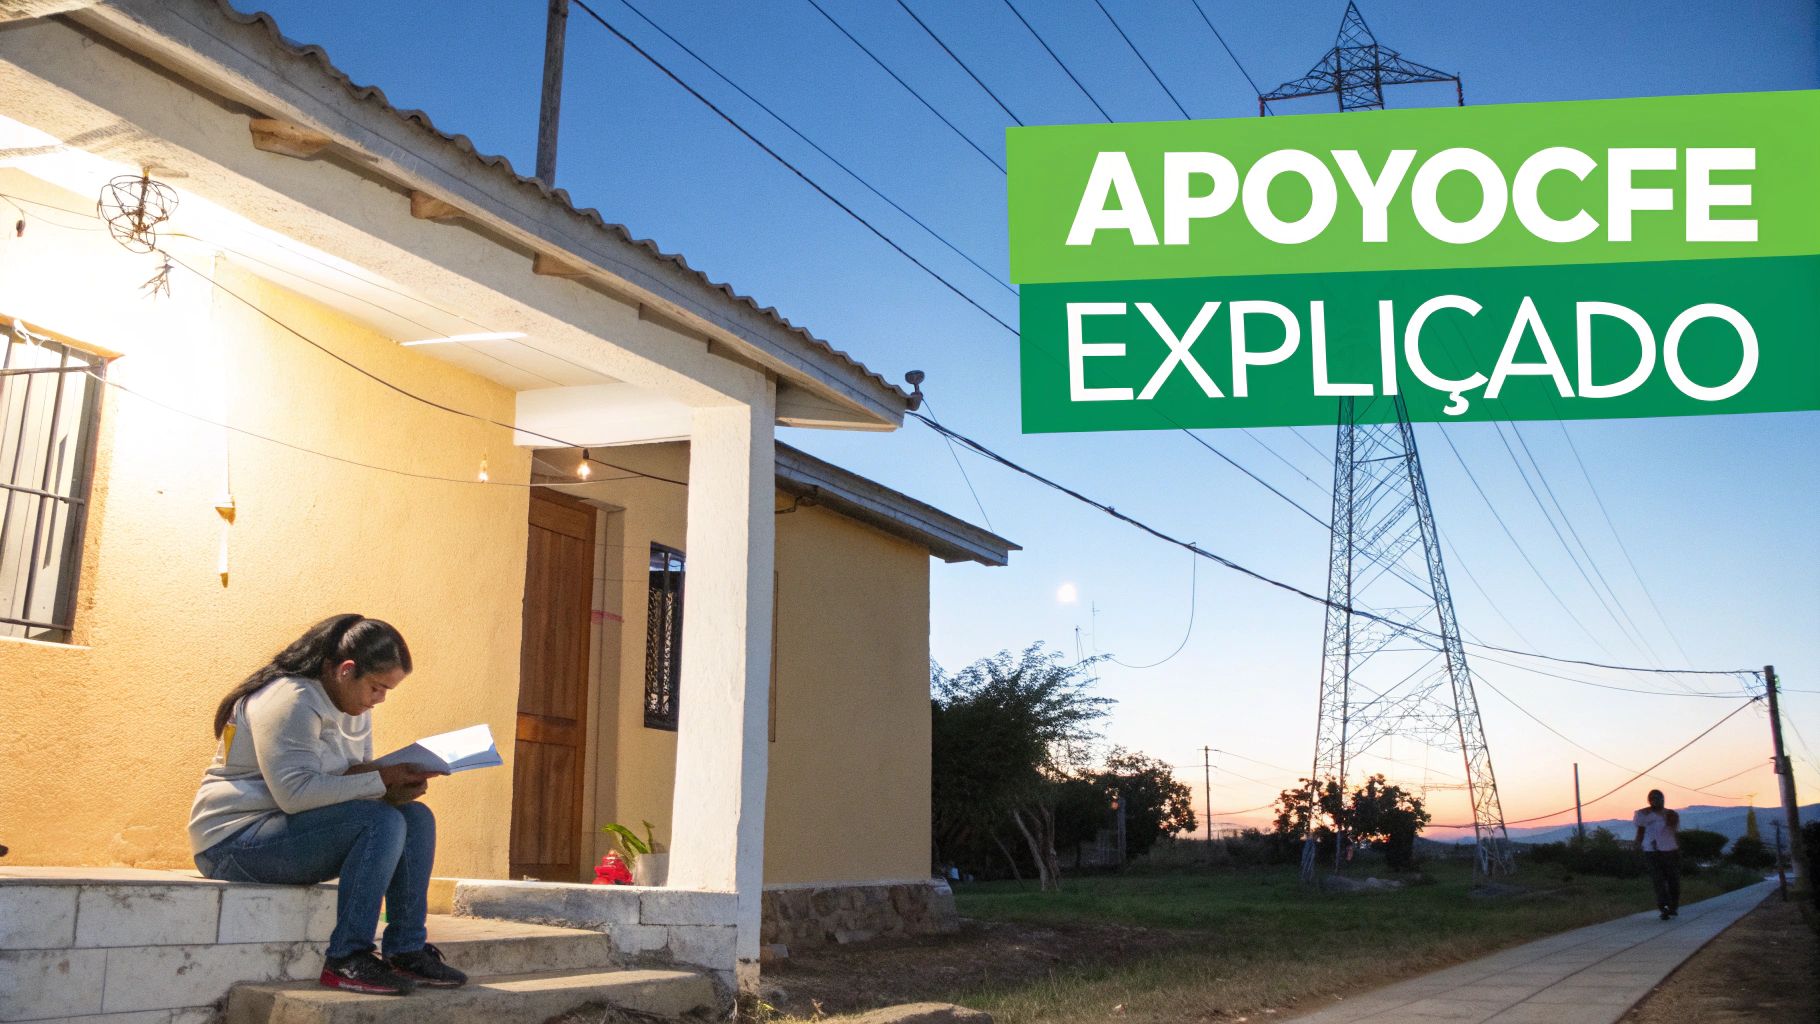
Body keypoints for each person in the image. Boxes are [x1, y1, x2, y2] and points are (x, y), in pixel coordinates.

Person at [189, 614, 467, 995]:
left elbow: (349, 776)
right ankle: (347, 959)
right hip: (232, 841)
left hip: (293, 831)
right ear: (346, 670)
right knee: (379, 822)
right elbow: (295, 794)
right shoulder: (290, 699)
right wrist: (379, 782)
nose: (380, 699)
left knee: (415, 817)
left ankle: (406, 950)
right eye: (376, 687)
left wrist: (395, 783)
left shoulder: (355, 708)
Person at [1633, 789, 1681, 920]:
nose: (1655, 801)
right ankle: (1663, 907)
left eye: (1658, 798)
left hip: (1669, 850)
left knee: (1673, 880)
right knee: (1658, 880)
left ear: (1663, 799)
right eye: (1652, 798)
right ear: (1649, 800)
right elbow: (1640, 832)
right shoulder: (1642, 814)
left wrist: (1678, 849)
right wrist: (1637, 846)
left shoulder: (1671, 814)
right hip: (1651, 851)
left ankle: (1673, 906)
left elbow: (1674, 830)